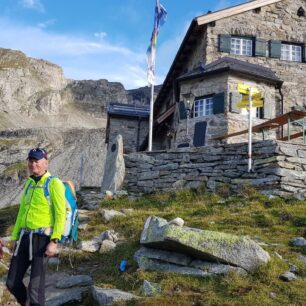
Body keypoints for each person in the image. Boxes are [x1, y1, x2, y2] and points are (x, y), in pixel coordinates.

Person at [6, 148, 66, 306]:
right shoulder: (29, 183)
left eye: (37, 161)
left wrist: (55, 240)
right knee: (11, 282)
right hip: (24, 238)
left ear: (45, 163)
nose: (33, 164)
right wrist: (14, 237)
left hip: (42, 239)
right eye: (31, 161)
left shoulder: (54, 183)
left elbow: (61, 214)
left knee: (35, 287)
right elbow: (21, 212)